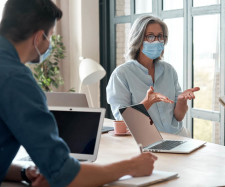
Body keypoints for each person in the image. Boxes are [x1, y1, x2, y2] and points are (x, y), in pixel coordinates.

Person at [0, 0, 157, 186]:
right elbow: (64, 174)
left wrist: (25, 172)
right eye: (49, 36)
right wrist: (130, 166)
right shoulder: (16, 80)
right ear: (38, 38)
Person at [106, 15, 199, 136]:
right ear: (138, 39)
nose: (156, 41)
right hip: (147, 139)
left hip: (178, 136)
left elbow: (179, 117)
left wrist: (181, 100)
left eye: (160, 36)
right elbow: (123, 122)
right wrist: (147, 102)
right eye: (150, 36)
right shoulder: (121, 74)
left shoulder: (169, 70)